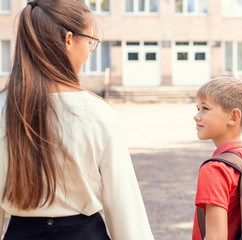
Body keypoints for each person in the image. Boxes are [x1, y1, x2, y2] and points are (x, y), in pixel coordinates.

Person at [0, 0, 154, 239]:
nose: (88, 51)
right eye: (90, 42)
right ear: (69, 40)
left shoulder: (3, 108)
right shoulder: (97, 113)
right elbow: (125, 207)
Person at [192, 77, 242, 240]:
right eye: (198, 108)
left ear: (233, 117)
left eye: (205, 108)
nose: (196, 116)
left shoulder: (215, 169)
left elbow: (216, 237)